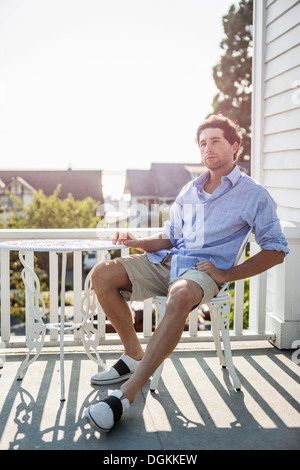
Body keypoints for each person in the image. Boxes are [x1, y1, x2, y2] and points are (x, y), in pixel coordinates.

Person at [84, 114, 289, 433]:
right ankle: (133, 352)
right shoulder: (190, 191)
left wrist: (226, 274)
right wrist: (137, 241)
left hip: (202, 272)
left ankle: (126, 395)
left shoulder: (254, 194)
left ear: (234, 147)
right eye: (203, 143)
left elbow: (276, 250)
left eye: (216, 141)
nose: (208, 148)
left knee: (179, 296)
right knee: (102, 274)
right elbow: (172, 236)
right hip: (169, 262)